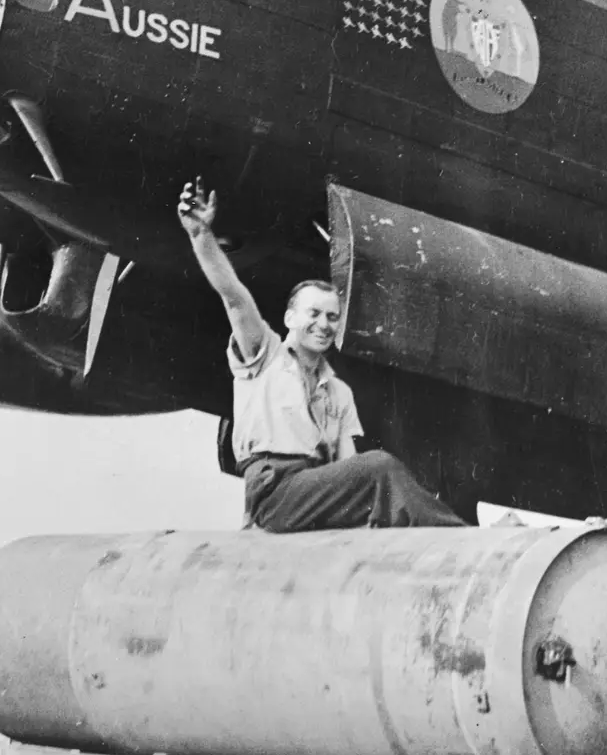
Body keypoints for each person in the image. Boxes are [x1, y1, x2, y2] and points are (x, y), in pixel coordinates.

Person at [178, 178, 466, 532]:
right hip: (276, 492)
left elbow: (348, 466)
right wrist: (201, 237)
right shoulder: (264, 354)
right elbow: (234, 297)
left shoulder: (339, 392)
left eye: (332, 317)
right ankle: (455, 534)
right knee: (380, 467)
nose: (323, 325)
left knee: (374, 478)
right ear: (289, 318)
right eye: (313, 314)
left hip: (316, 492)